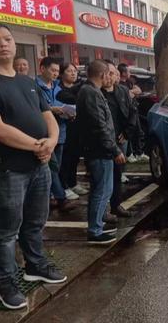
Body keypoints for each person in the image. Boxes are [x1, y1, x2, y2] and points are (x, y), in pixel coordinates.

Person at [0, 22, 67, 310]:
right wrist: (39, 146)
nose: (3, 44)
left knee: (35, 222)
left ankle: (35, 264)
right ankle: (6, 282)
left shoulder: (27, 81)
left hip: (39, 166)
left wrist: (51, 141)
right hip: (8, 168)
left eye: (7, 38)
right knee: (7, 229)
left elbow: (48, 116)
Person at [76, 59, 125, 245]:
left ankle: (97, 224)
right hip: (99, 151)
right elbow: (99, 126)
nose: (111, 78)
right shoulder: (91, 93)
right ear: (103, 75)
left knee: (103, 189)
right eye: (110, 74)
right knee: (102, 190)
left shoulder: (90, 91)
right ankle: (95, 230)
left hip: (99, 149)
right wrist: (114, 149)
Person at [36, 57, 79, 207]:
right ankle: (59, 197)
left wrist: (69, 112)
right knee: (51, 165)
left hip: (60, 131)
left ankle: (52, 195)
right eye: (52, 70)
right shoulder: (34, 86)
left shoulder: (57, 87)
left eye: (57, 71)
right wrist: (50, 109)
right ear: (42, 69)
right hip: (43, 132)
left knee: (56, 165)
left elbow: (65, 102)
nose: (55, 74)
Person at [103, 61, 137, 218]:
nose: (112, 76)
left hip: (120, 138)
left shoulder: (122, 91)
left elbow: (132, 112)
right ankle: (102, 211)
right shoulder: (94, 92)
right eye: (109, 73)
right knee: (102, 178)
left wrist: (127, 132)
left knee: (117, 174)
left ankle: (116, 205)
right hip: (102, 141)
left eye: (114, 73)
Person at [56, 63, 89, 198]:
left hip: (77, 128)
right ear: (62, 73)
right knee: (65, 158)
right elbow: (66, 99)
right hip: (64, 128)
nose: (73, 73)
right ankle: (64, 186)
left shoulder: (81, 88)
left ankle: (73, 182)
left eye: (74, 71)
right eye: (69, 71)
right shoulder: (58, 89)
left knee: (75, 157)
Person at [117, 63, 147, 163]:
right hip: (126, 112)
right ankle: (129, 154)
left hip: (134, 110)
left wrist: (131, 92)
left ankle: (139, 153)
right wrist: (130, 93)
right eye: (128, 71)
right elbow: (128, 94)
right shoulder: (118, 85)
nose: (130, 73)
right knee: (128, 133)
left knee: (138, 131)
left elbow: (138, 90)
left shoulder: (129, 82)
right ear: (123, 73)